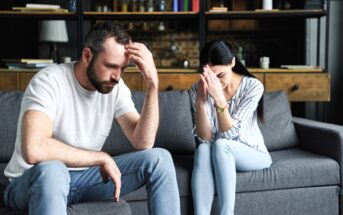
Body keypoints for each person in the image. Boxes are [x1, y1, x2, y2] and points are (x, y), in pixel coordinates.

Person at [3, 21, 180, 215]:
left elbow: (143, 141)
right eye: (111, 66)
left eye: (122, 68)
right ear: (87, 56)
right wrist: (101, 157)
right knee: (54, 170)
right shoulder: (49, 81)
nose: (117, 77)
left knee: (160, 159)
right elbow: (34, 149)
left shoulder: (116, 88)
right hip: (32, 181)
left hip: (85, 180)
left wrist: (153, 85)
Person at [190, 40, 272, 215]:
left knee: (221, 145)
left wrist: (219, 100)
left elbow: (229, 134)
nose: (216, 83)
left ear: (233, 62)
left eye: (220, 75)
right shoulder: (198, 89)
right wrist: (200, 101)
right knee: (203, 149)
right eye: (210, 76)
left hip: (253, 153)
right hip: (218, 153)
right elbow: (205, 137)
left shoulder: (253, 86)